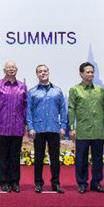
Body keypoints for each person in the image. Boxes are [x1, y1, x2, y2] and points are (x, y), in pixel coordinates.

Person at [69, 62, 104, 194]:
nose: (90, 74)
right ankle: (82, 183)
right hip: (82, 130)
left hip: (98, 130)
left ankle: (96, 183)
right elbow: (71, 109)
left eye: (92, 72)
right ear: (81, 74)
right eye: (87, 72)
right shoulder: (75, 90)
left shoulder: (99, 89)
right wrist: (72, 127)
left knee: (98, 159)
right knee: (81, 159)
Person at [0, 60, 28, 193]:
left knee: (15, 156)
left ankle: (15, 182)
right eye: (9, 67)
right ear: (4, 70)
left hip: (17, 127)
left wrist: (26, 124)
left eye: (13, 67)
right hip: (2, 127)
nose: (11, 69)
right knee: (3, 156)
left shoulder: (22, 86)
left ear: (16, 70)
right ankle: (4, 182)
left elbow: (25, 107)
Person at [27, 64, 67, 194]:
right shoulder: (32, 92)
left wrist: (63, 126)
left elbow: (63, 109)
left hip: (54, 129)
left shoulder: (58, 91)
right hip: (38, 129)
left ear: (49, 73)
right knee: (38, 158)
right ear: (37, 74)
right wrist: (30, 127)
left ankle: (55, 183)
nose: (43, 73)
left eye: (45, 71)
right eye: (40, 71)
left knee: (55, 158)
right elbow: (29, 111)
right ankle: (38, 183)